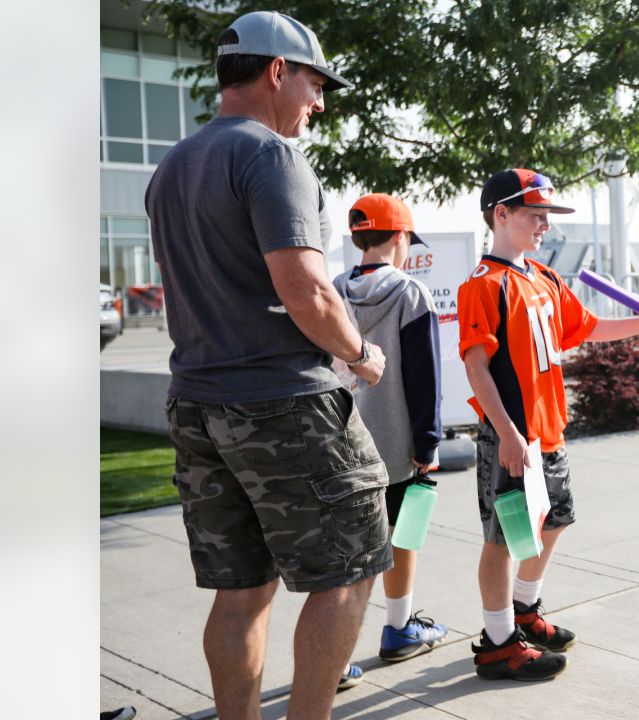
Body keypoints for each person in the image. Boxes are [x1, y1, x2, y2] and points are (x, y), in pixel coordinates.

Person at [145, 11, 391, 718]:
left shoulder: (173, 167)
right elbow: (309, 290)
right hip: (283, 401)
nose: (320, 103)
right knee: (347, 574)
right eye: (315, 84)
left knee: (242, 592)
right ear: (276, 71)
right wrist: (360, 353)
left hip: (196, 406)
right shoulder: (271, 156)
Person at [458, 169, 639, 681]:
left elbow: (589, 327)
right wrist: (509, 434)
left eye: (547, 217)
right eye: (536, 216)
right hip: (514, 436)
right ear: (502, 214)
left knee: (553, 522)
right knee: (504, 537)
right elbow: (475, 365)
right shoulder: (483, 285)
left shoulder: (544, 278)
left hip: (550, 429)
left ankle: (525, 610)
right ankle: (496, 643)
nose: (544, 226)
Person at [332, 193, 449, 662]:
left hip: (338, 441)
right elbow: (425, 377)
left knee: (345, 553)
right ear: (400, 236)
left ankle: (333, 660)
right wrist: (428, 441)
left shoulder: (332, 290)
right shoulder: (410, 293)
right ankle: (398, 630)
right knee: (403, 536)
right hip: (397, 445)